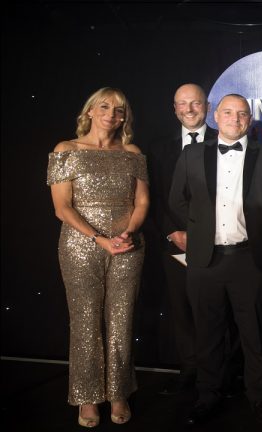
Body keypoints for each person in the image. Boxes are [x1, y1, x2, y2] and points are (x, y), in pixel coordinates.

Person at [168, 94, 262, 425]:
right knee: (208, 334)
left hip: (250, 259)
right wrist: (198, 228)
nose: (234, 119)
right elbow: (176, 200)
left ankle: (259, 395)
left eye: (242, 114)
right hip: (204, 260)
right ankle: (208, 396)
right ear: (214, 116)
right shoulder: (192, 154)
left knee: (255, 333)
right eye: (228, 112)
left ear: (249, 119)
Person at [47, 87, 149, 427]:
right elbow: (62, 207)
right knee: (86, 321)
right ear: (90, 111)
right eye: (104, 107)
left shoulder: (132, 152)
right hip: (80, 246)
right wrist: (99, 239)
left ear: (124, 118)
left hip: (127, 245)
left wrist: (128, 232)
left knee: (121, 320)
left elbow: (143, 202)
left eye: (119, 110)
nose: (111, 114)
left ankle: (118, 392)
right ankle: (87, 397)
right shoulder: (66, 150)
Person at [147, 83, 218, 396]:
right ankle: (190, 371)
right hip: (173, 243)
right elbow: (153, 196)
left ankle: (219, 374)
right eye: (183, 104)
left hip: (218, 243)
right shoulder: (159, 148)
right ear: (174, 108)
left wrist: (204, 233)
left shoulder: (226, 140)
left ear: (207, 105)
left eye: (196, 103)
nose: (189, 109)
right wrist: (172, 232)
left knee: (217, 311)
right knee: (182, 312)